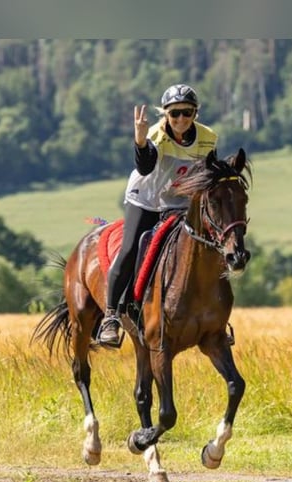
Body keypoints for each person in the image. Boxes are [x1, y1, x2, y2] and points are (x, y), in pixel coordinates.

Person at [97, 83, 218, 346]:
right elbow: (145, 165)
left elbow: (206, 174)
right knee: (130, 249)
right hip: (147, 200)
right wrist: (140, 141)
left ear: (195, 113)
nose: (181, 119)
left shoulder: (208, 138)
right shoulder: (156, 134)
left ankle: (215, 317)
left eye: (187, 112)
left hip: (180, 202)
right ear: (165, 115)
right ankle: (111, 317)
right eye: (174, 114)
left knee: (209, 247)